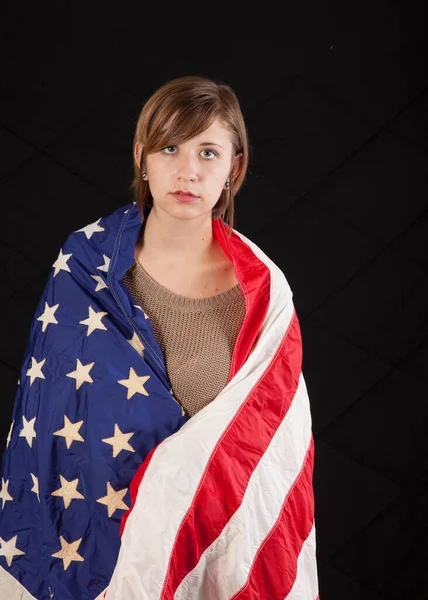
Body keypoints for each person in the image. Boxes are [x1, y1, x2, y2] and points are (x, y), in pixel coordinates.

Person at [0, 75, 320, 599]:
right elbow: (51, 433)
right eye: (170, 147)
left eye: (208, 152)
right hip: (91, 552)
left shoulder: (264, 295)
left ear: (233, 170)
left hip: (208, 560)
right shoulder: (84, 267)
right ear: (141, 157)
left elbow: (270, 461)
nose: (188, 170)